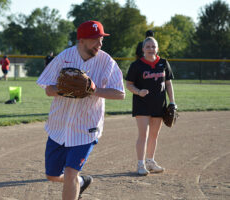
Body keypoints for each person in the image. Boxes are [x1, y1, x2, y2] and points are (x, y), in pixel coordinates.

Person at [37, 20, 125, 200]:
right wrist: (65, 90)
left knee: (70, 173)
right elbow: (48, 89)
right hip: (59, 126)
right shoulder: (64, 57)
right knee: (52, 175)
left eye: (101, 39)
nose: (100, 43)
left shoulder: (107, 62)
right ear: (82, 40)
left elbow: (119, 93)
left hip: (86, 128)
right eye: (95, 39)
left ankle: (74, 182)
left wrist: (93, 90)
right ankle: (81, 182)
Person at [125, 36, 176, 176]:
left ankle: (150, 161)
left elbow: (168, 84)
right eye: (147, 47)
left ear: (157, 48)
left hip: (159, 104)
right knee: (143, 135)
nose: (150, 49)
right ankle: (140, 164)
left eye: (153, 46)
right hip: (142, 104)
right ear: (143, 49)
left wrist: (172, 101)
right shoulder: (137, 65)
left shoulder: (164, 63)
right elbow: (129, 84)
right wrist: (138, 91)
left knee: (154, 135)